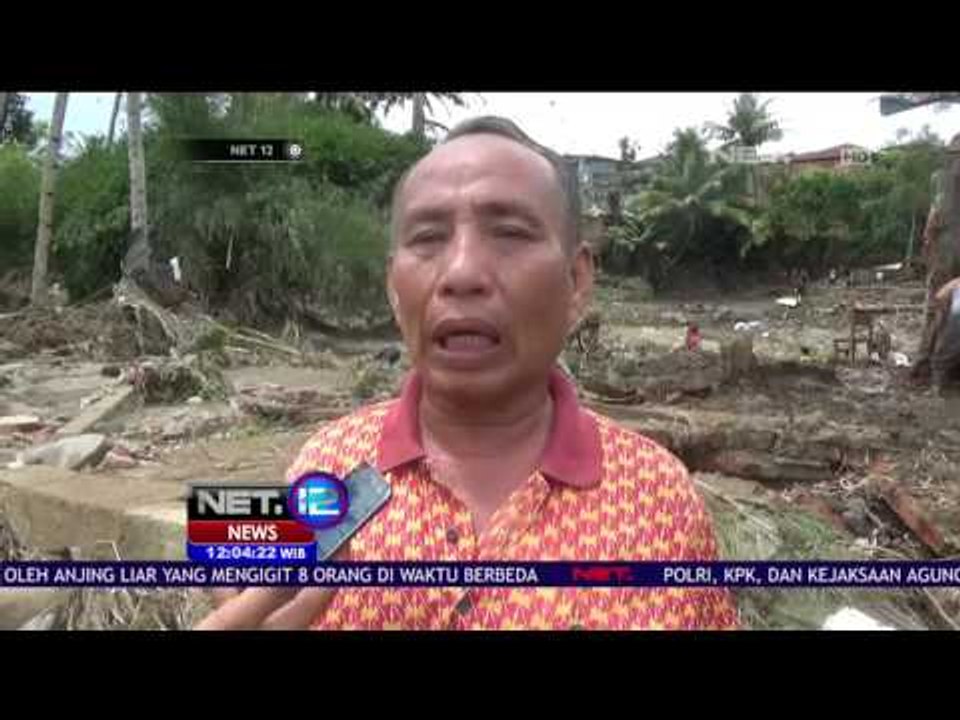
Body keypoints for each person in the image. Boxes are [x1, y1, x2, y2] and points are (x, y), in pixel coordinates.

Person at [197, 117, 737, 631]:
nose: (461, 273)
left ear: (575, 281)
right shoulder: (325, 469)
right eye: (428, 238)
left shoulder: (661, 502)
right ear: (392, 287)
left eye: (508, 233)